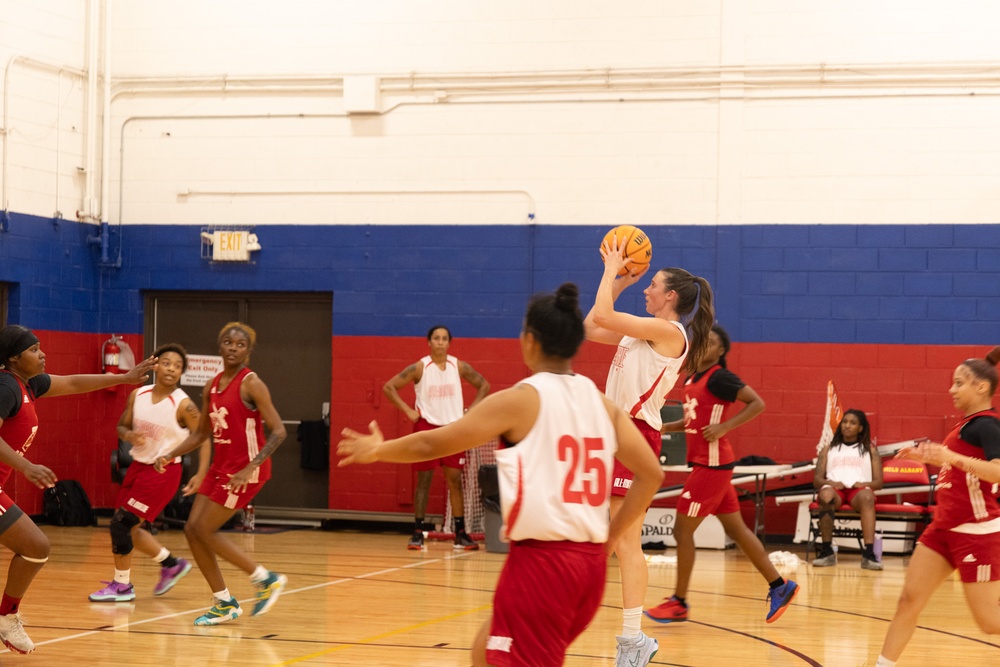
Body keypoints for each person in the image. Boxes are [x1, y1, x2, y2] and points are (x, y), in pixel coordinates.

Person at [340, 283, 665, 667]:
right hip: (588, 568)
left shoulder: (522, 400)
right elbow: (651, 475)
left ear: (529, 341)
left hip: (542, 566)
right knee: (484, 649)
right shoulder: (601, 403)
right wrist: (609, 538)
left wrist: (377, 449)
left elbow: (432, 444)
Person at [583, 235, 715, 666]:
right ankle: (632, 637)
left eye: (651, 284)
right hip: (613, 436)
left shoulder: (668, 332)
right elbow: (591, 326)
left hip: (635, 436)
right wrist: (621, 280)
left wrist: (612, 270)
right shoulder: (639, 333)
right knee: (620, 541)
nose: (646, 288)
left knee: (623, 542)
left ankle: (632, 638)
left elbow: (603, 312)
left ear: (670, 296)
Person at [0, 325, 156, 653]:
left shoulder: (28, 384)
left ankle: (6, 616)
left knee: (36, 547)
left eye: (41, 347)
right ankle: (6, 617)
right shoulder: (5, 387)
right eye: (33, 349)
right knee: (36, 545)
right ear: (14, 357)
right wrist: (25, 466)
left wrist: (124, 378)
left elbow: (72, 382)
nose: (42, 354)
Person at [644, 324, 799, 625]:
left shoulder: (721, 378)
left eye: (712, 342)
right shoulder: (692, 377)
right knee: (737, 531)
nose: (705, 346)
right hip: (710, 464)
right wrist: (667, 427)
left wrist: (726, 427)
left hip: (711, 466)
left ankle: (679, 602)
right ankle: (780, 586)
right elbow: (694, 419)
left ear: (721, 351)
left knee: (681, 531)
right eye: (702, 340)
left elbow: (757, 403)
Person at [155, 322, 288, 626]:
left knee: (204, 530)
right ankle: (224, 601)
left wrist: (250, 467)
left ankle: (265, 579)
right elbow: (200, 434)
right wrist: (170, 454)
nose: (233, 348)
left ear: (248, 352)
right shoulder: (211, 386)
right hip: (221, 468)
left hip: (247, 471)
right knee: (191, 530)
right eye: (228, 342)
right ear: (220, 347)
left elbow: (279, 432)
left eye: (240, 345)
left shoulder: (252, 383)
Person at [875, 347, 1000, 667]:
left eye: (960, 383)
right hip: (943, 528)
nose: (952, 389)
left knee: (990, 623)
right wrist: (927, 456)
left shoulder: (987, 425)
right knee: (908, 600)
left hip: (976, 531)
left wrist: (949, 457)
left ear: (982, 388)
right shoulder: (963, 426)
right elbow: (955, 467)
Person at [89, 343, 211, 603]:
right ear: (156, 365)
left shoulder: (183, 404)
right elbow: (121, 427)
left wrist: (201, 474)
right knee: (128, 527)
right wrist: (130, 434)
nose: (171, 369)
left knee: (122, 524)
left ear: (181, 374)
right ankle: (171, 563)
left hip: (164, 471)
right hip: (137, 466)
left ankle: (122, 586)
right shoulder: (139, 394)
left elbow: (204, 437)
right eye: (167, 362)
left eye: (177, 366)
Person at [383, 325, 490, 550]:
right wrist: (408, 411)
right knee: (424, 482)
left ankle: (460, 533)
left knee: (455, 482)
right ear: (429, 342)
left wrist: (473, 411)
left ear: (449, 343)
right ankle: (417, 532)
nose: (440, 342)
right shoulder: (420, 367)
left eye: (444, 339)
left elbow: (484, 385)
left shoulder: (457, 365)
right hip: (427, 429)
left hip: (453, 429)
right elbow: (389, 387)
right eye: (436, 338)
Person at [811, 409, 884, 570]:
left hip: (858, 492)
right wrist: (829, 482)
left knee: (867, 497)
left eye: (852, 423)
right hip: (835, 489)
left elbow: (879, 483)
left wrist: (865, 484)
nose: (847, 426)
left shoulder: (870, 450)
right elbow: (817, 480)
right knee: (825, 495)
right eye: (845, 422)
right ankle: (827, 551)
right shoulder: (828, 449)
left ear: (861, 428)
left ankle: (869, 554)